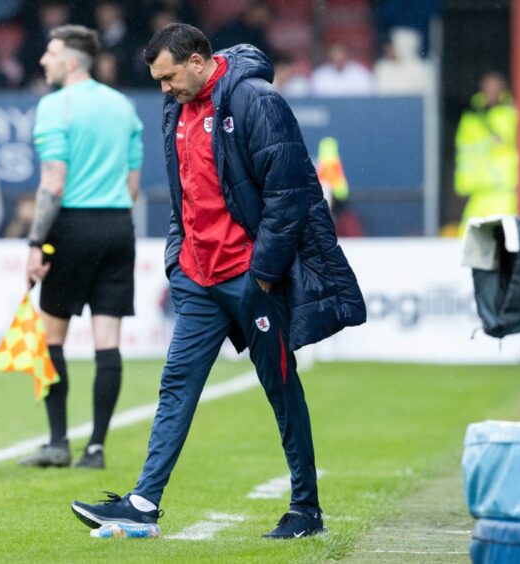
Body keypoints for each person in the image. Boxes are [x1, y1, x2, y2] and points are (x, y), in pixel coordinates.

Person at [70, 23, 366, 539]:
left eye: (168, 78)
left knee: (279, 386)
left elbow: (290, 192)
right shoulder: (177, 107)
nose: (164, 89)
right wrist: (177, 261)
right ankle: (143, 501)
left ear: (198, 60)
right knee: (176, 384)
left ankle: (306, 508)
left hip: (251, 278)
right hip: (198, 277)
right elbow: (186, 192)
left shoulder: (257, 100)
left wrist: (265, 274)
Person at [21, 25, 143, 470]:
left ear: (71, 61)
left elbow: (53, 181)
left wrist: (37, 241)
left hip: (71, 226)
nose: (43, 61)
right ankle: (95, 448)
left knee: (53, 335)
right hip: (117, 226)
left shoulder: (56, 106)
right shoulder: (123, 106)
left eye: (50, 53)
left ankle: (57, 442)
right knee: (106, 341)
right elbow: (133, 187)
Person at [453, 71, 518, 234]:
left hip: (504, 190)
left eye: (495, 87)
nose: (491, 92)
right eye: (488, 88)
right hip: (477, 190)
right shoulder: (471, 116)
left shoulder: (511, 113)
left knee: (503, 238)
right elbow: (464, 150)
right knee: (467, 237)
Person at [310, 42, 374, 97]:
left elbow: (368, 97)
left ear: (346, 55)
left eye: (341, 54)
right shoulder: (319, 75)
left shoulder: (361, 74)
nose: (338, 58)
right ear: (329, 56)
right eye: (335, 54)